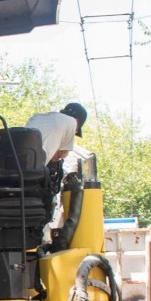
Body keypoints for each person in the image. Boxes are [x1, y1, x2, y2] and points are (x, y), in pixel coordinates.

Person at [28, 103, 94, 242]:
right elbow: (61, 154)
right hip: (34, 176)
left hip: (16, 171)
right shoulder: (70, 122)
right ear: (77, 122)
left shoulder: (37, 118)